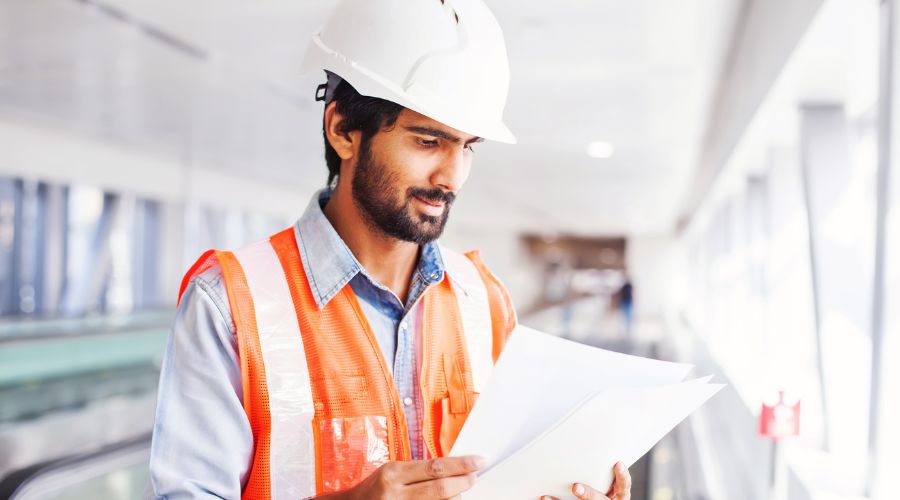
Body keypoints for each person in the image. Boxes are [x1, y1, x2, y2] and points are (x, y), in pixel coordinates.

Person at [149, 1, 633, 499]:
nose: (452, 177)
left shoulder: (485, 303)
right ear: (342, 130)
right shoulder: (229, 305)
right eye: (428, 141)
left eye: (468, 146)